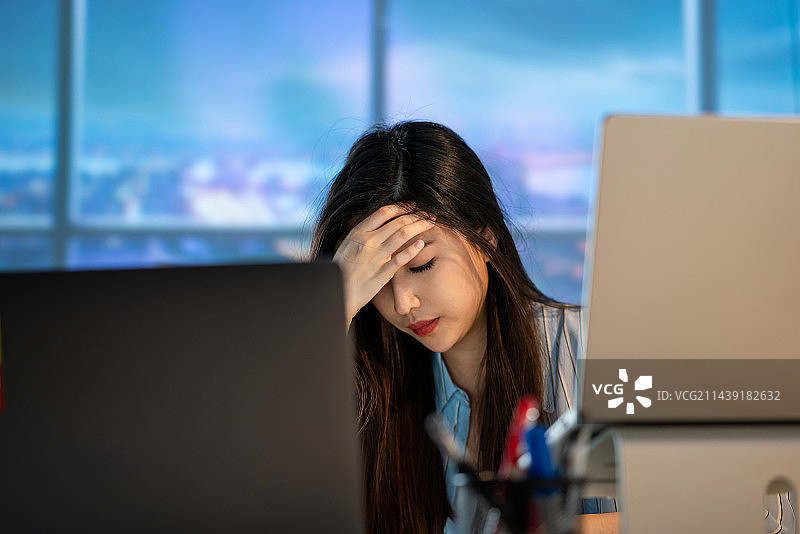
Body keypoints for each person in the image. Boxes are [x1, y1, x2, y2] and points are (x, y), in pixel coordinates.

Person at [310, 120, 617, 533]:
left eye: (422, 265)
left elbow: (684, 511)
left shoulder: (593, 347)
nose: (403, 304)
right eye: (378, 281)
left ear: (486, 239)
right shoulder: (368, 381)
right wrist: (333, 301)